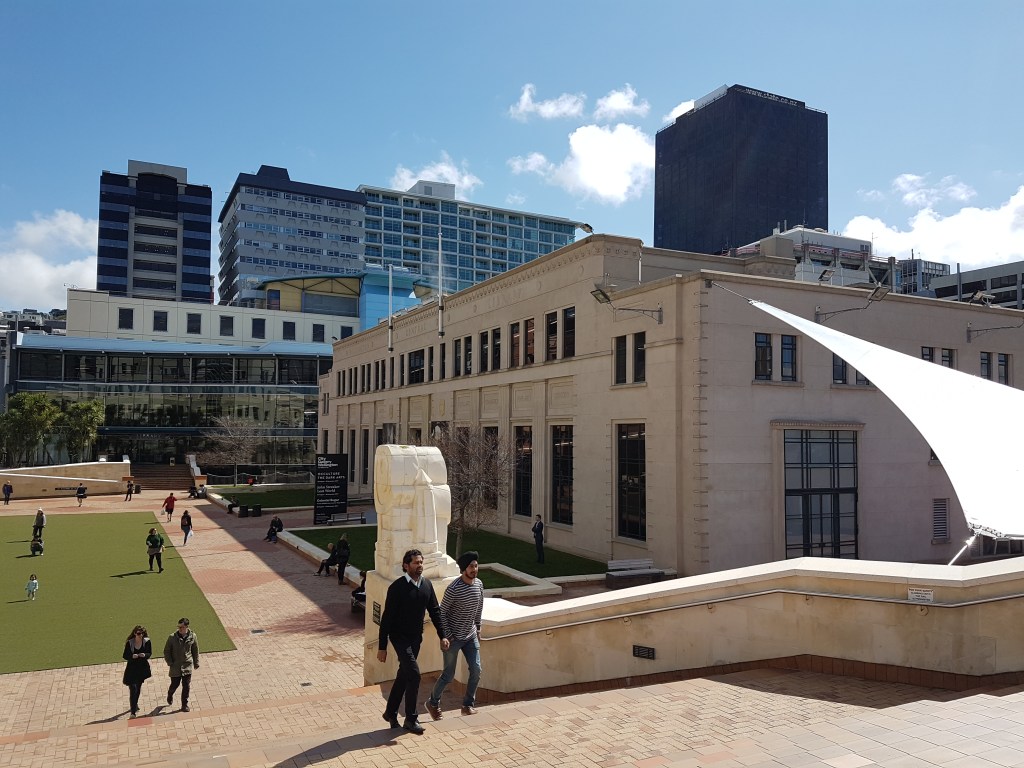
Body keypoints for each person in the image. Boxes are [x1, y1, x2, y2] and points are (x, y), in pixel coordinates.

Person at [377, 549, 447, 734]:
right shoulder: (397, 588)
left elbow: (435, 612)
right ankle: (411, 719)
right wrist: (382, 646)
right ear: (406, 566)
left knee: (404, 674)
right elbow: (387, 619)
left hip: (416, 637)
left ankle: (390, 712)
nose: (420, 565)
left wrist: (443, 635)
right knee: (414, 674)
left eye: (421, 562)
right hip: (399, 638)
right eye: (416, 563)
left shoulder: (426, 585)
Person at [425, 551, 485, 720]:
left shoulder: (479, 584)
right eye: (471, 566)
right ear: (464, 569)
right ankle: (433, 703)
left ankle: (467, 705)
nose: (474, 569)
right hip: (453, 639)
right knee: (448, 675)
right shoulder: (454, 588)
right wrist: (447, 635)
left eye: (476, 566)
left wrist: (478, 629)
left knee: (476, 669)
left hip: (470, 635)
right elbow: (442, 613)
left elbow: (478, 608)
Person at [163, 617, 199, 712]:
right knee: (175, 684)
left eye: (182, 627)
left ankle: (184, 705)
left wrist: (196, 662)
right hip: (175, 666)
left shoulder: (193, 636)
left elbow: (195, 650)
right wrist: (170, 662)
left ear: (187, 627)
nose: (180, 629)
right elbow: (166, 651)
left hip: (187, 665)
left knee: (186, 685)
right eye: (179, 627)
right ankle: (170, 694)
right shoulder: (172, 637)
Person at [122, 625, 152, 718]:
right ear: (135, 633)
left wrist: (144, 655)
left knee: (138, 688)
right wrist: (132, 656)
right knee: (133, 689)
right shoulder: (130, 643)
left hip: (141, 668)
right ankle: (133, 712)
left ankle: (135, 704)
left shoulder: (147, 641)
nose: (140, 635)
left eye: (142, 633)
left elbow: (149, 653)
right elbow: (125, 655)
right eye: (139, 633)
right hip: (132, 668)